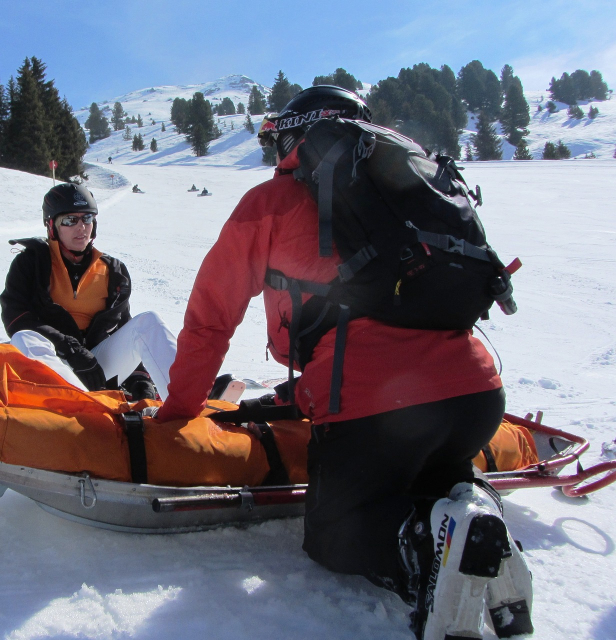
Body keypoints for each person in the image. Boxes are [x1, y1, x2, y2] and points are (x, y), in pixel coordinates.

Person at [156, 86, 532, 639]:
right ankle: (477, 523)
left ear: (294, 136)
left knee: (334, 533)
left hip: (375, 405)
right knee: (434, 488)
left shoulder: (270, 203)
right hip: (475, 397)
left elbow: (211, 318)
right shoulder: (409, 193)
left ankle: (425, 556)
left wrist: (181, 410)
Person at [0, 183, 177, 401]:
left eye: (87, 218)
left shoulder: (113, 271)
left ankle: (182, 402)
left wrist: (140, 378)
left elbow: (124, 327)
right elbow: (15, 318)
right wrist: (70, 349)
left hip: (93, 369)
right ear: (51, 225)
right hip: (51, 362)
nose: (81, 227)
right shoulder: (31, 263)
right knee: (25, 337)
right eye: (70, 220)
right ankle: (82, 406)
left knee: (149, 322)